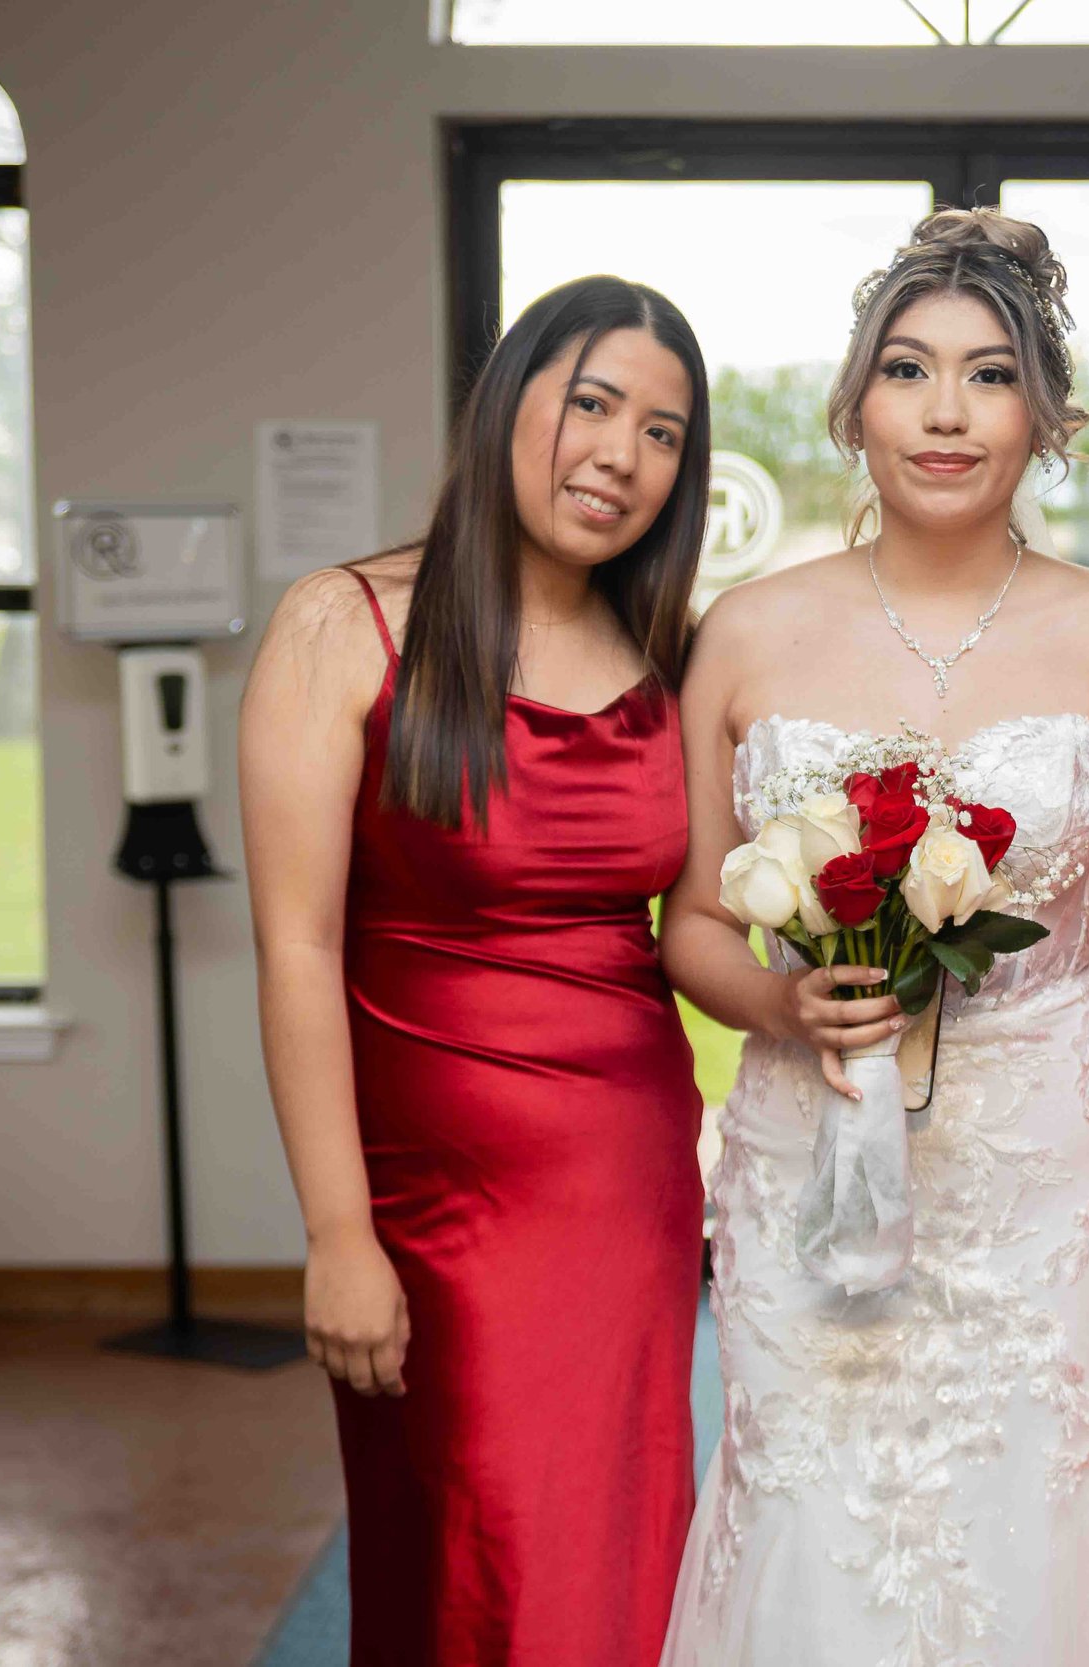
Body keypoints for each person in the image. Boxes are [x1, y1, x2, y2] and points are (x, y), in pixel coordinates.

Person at [656, 208, 1089, 1666]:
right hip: (806, 1139)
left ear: (1049, 415)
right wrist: (785, 1011)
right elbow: (697, 926)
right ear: (854, 406)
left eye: (989, 374)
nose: (946, 412)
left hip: (1049, 1165)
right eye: (908, 370)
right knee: (816, 1505)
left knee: (1048, 1504)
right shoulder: (749, 632)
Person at [238, 275, 713, 1667]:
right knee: (467, 1559)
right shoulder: (346, 625)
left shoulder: (667, 658)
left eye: (667, 433)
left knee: (616, 1562)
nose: (622, 454)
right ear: (509, 403)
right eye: (593, 404)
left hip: (629, 1190)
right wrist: (336, 1233)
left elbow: (694, 930)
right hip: (434, 1206)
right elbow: (294, 947)